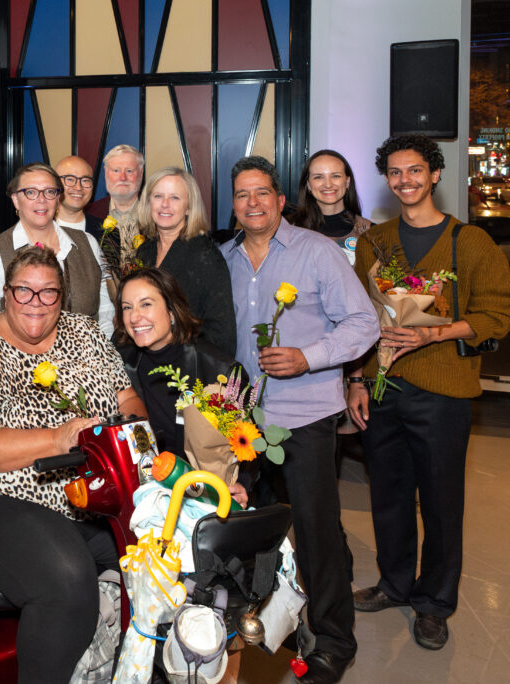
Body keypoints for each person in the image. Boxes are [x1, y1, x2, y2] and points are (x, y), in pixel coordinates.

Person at [0, 246, 145, 683]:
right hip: (2, 497)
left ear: (64, 295)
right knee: (68, 584)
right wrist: (57, 438)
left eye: (48, 293)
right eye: (24, 292)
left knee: (154, 557)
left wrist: (131, 427)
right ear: (5, 293)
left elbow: (126, 397)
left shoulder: (87, 334)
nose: (35, 303)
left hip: (92, 493)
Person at [347, 136, 510, 651]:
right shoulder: (377, 242)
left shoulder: (471, 242)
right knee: (389, 496)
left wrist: (432, 332)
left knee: (441, 503)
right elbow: (365, 316)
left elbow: (497, 316)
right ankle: (395, 584)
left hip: (444, 392)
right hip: (384, 386)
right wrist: (357, 378)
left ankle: (434, 603)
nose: (405, 181)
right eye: (395, 173)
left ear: (435, 174)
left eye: (415, 171)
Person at [220, 156, 378, 684]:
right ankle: (264, 626)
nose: (253, 203)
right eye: (242, 195)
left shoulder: (318, 252)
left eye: (262, 192)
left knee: (316, 531)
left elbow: (363, 323)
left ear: (281, 199)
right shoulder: (226, 260)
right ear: (233, 205)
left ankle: (334, 640)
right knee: (247, 531)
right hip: (243, 420)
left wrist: (309, 356)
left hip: (306, 415)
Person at [115, 267, 248, 497]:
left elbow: (249, 443)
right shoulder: (118, 363)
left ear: (172, 311)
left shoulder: (219, 369)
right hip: (145, 493)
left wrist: (243, 485)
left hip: (205, 493)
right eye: (127, 307)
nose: (134, 317)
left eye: (146, 304)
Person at [0, 163, 113, 337]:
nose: (41, 199)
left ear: (58, 198)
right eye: (31, 192)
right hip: (22, 361)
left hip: (89, 359)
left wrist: (103, 349)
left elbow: (105, 309)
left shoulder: (87, 243)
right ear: (15, 200)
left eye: (50, 191)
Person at [135, 167, 237, 355]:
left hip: (186, 369)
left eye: (175, 198)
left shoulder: (205, 255)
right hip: (145, 364)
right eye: (158, 196)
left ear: (189, 207)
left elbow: (222, 333)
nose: (165, 204)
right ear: (148, 202)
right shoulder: (144, 252)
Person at [289, 150, 372, 265]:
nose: (328, 184)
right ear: (308, 185)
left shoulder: (371, 233)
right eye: (318, 177)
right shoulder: (289, 231)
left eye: (335, 176)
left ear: (347, 182)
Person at [86, 144, 145, 282]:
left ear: (141, 174)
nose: (122, 177)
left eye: (129, 171)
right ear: (106, 173)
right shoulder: (88, 214)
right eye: (116, 170)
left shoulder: (158, 214)